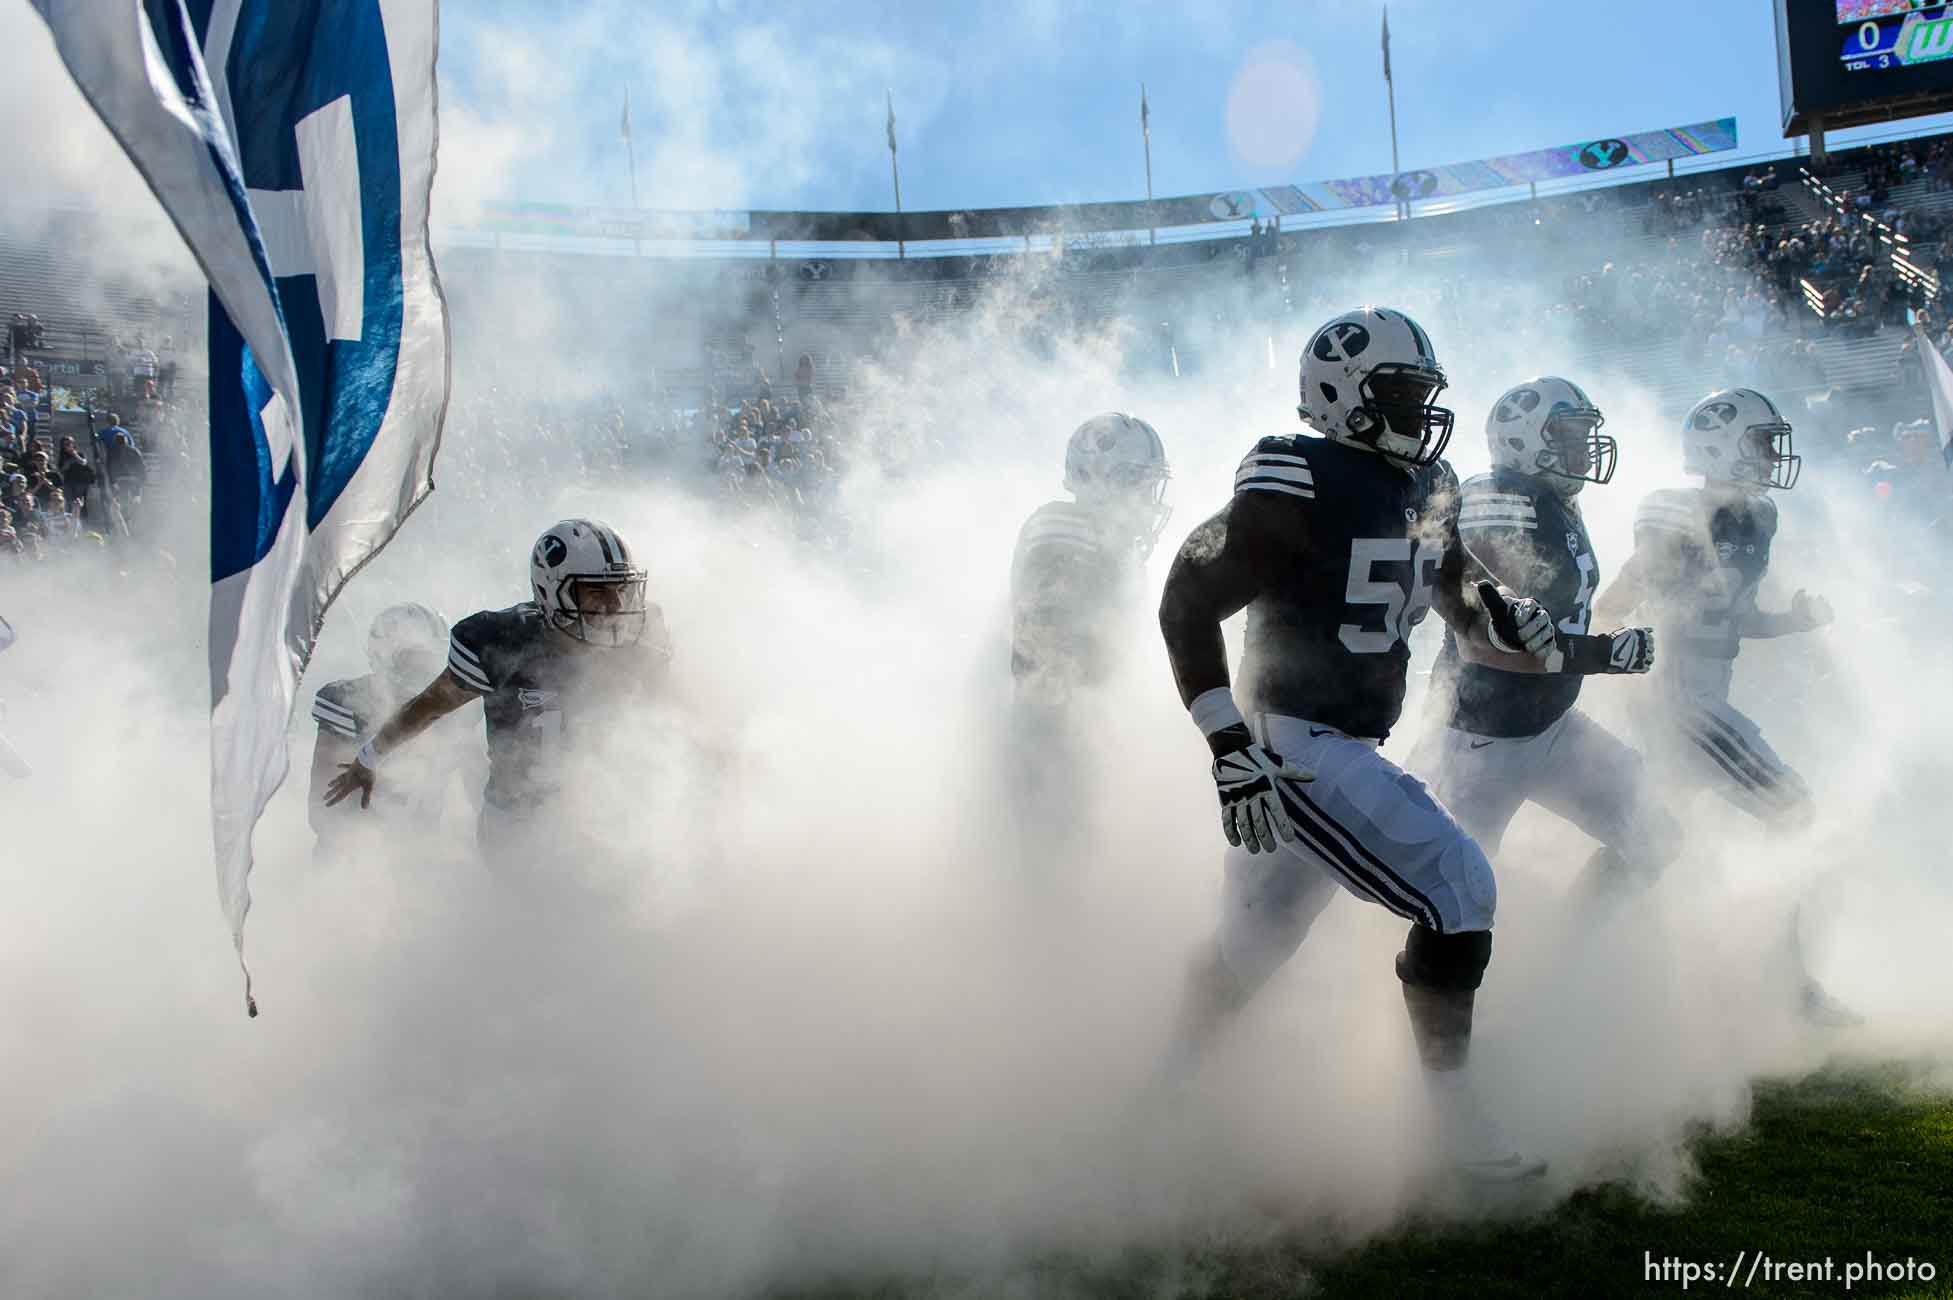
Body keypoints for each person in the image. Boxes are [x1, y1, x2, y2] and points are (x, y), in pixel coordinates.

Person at [1153, 307, 1625, 1183]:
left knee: (1253, 945)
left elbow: (1454, 587)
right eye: (1402, 393)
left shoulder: (1427, 481)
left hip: (1341, 737)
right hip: (1288, 740)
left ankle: (1161, 1091)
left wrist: (1498, 608)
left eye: (1423, 393)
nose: (1422, 411)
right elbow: (1186, 601)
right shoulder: (1296, 472)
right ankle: (1450, 1121)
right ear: (1339, 396)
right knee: (1457, 884)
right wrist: (1225, 742)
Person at [1592, 388, 1854, 1024]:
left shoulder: (1759, 517)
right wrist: (1621, 673)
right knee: (1797, 814)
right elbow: (1617, 600)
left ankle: (1571, 956)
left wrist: (1790, 621)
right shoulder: (1674, 512)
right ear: (1723, 445)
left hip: (1703, 699)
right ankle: (1786, 984)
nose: (1771, 457)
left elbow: (1736, 621)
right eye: (1761, 443)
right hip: (1680, 702)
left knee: (1648, 842)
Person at [1408, 377, 1673, 887]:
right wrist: (1605, 655)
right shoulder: (1501, 500)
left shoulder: (1552, 500)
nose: (1583, 449)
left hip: (1550, 723)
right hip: (1480, 737)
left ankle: (1574, 949)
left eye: (1583, 434)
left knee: (1654, 835)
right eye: (1568, 435)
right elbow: (1488, 642)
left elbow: (1565, 608)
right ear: (1523, 439)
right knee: (1448, 899)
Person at [323, 519, 673, 867]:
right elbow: (430, 705)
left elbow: (677, 715)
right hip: (517, 827)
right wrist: (369, 758)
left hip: (606, 818)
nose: (613, 606)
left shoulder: (641, 641)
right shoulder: (503, 643)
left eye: (620, 589)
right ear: (552, 589)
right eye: (597, 592)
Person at [1008, 412, 1170, 873]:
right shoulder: (1065, 531)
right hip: (1056, 734)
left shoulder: (1101, 536)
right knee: (1059, 873)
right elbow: (1050, 652)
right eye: (1138, 480)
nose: (1148, 495)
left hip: (1071, 730)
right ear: (1101, 476)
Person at [307, 602, 453, 854]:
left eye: (426, 659)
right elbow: (323, 807)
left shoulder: (453, 708)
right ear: (384, 655)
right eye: (410, 659)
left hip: (423, 859)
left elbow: (479, 789)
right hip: (353, 859)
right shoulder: (348, 701)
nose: (419, 670)